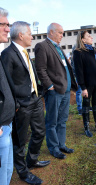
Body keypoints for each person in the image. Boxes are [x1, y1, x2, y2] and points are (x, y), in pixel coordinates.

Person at [1, 21, 50, 185]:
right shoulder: (8, 54)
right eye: (29, 33)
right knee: (20, 141)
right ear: (21, 35)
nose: (32, 36)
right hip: (21, 104)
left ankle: (32, 161)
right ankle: (23, 172)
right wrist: (15, 104)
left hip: (34, 99)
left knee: (40, 132)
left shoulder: (25, 52)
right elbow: (5, 83)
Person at [35, 23, 77, 159]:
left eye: (62, 33)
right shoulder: (42, 46)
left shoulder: (57, 47)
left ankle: (61, 144)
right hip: (55, 91)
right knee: (52, 121)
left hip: (65, 90)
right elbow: (40, 69)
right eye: (60, 32)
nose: (62, 35)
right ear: (51, 32)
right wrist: (49, 86)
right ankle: (53, 147)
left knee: (62, 119)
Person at [73, 31, 96, 137]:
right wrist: (83, 87)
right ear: (82, 39)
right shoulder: (78, 52)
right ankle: (87, 128)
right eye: (88, 36)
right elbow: (79, 71)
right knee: (86, 105)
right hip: (87, 83)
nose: (91, 37)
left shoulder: (94, 49)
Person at [0, 7, 15, 185]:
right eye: (3, 24)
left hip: (7, 124)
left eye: (8, 24)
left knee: (7, 173)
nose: (8, 29)